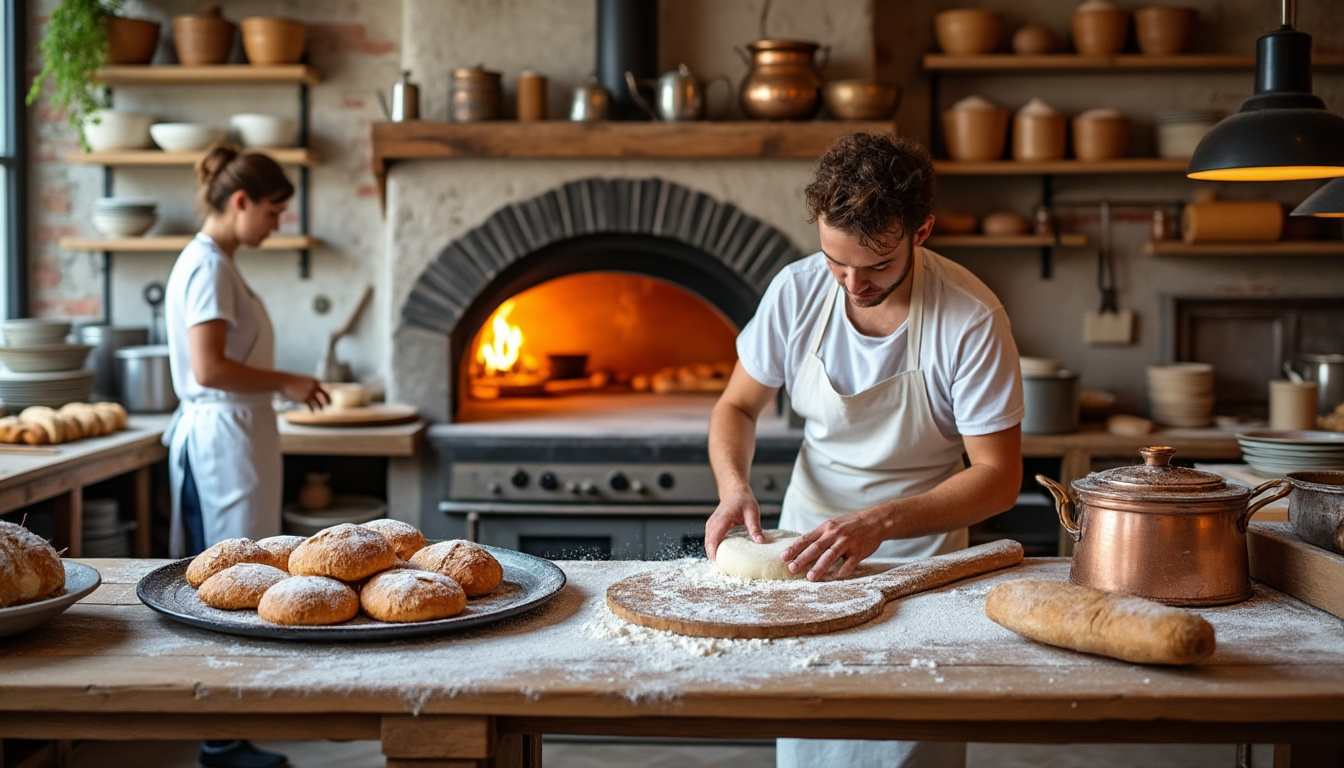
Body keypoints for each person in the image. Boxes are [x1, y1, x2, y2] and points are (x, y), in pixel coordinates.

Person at [704, 133, 1024, 768]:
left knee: (907, 740)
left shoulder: (970, 318)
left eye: (875, 266)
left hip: (918, 563)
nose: (853, 283)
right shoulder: (796, 292)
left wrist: (879, 523)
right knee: (813, 732)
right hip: (803, 556)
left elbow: (998, 476)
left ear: (920, 231)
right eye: (836, 262)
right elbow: (736, 406)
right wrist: (733, 486)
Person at [163, 144, 328, 768]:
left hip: (236, 436)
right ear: (240, 201)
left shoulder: (218, 263)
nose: (277, 224)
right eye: (273, 211)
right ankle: (220, 740)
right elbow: (209, 368)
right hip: (221, 443)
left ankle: (232, 727)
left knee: (246, 572)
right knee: (230, 582)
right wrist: (287, 380)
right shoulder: (208, 267)